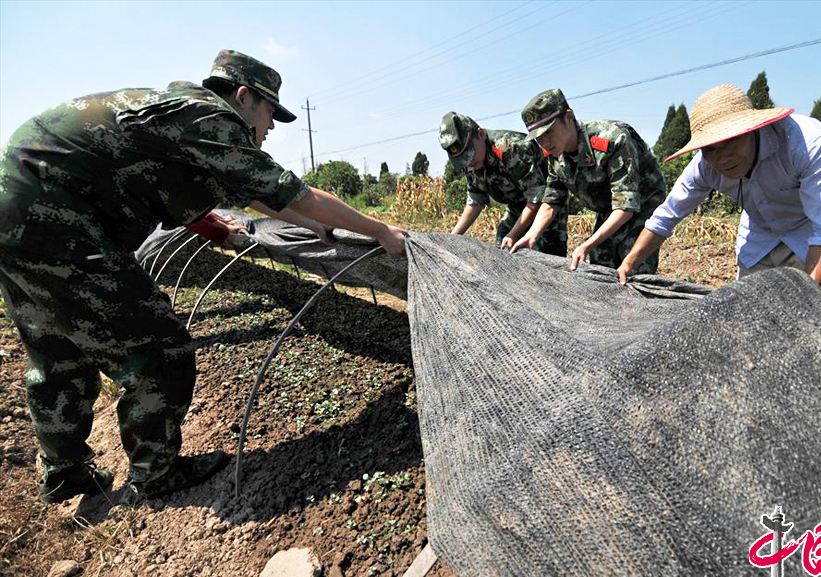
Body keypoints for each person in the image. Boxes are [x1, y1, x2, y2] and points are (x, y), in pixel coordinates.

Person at [0, 49, 407, 503]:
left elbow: (179, 180)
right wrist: (380, 230)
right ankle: (155, 473)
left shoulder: (179, 112)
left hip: (15, 202)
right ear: (243, 96)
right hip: (56, 218)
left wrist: (216, 225)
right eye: (271, 112)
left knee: (58, 348)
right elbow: (296, 194)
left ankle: (64, 471)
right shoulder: (211, 117)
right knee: (160, 350)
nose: (270, 127)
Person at [616, 84, 821, 305]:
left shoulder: (807, 145)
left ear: (752, 130)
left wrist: (807, 297)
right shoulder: (704, 166)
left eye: (731, 141)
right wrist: (630, 262)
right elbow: (666, 216)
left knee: (819, 314)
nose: (723, 157)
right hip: (761, 230)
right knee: (749, 308)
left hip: (811, 231)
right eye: (710, 148)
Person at [510, 89, 666, 273]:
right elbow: (552, 199)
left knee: (632, 266)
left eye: (549, 132)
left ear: (569, 116)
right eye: (538, 137)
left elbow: (626, 206)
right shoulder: (555, 154)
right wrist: (531, 235)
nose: (544, 142)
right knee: (601, 263)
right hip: (608, 208)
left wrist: (586, 244)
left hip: (642, 204)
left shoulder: (612, 139)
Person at [439, 112, 568, 256]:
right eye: (463, 158)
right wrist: (450, 239)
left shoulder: (512, 148)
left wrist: (513, 234)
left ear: (480, 134)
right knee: (502, 252)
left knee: (547, 259)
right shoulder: (468, 162)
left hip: (545, 207)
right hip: (516, 207)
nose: (469, 162)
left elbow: (535, 199)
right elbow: (475, 201)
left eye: (470, 153)